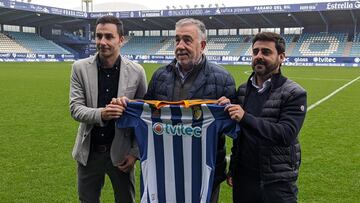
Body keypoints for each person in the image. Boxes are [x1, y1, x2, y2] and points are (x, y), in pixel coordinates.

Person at [113, 18, 236, 203]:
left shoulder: (223, 79)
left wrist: (227, 109)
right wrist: (126, 105)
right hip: (164, 168)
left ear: (202, 45)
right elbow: (145, 114)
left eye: (187, 40)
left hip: (204, 172)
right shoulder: (160, 76)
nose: (180, 45)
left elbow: (235, 129)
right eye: (177, 40)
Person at [218, 32, 307, 202]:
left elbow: (285, 134)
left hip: (276, 180)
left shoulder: (294, 93)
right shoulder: (243, 90)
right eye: (255, 52)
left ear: (281, 57)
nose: (259, 56)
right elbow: (239, 135)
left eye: (266, 52)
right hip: (244, 178)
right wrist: (223, 106)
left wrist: (245, 117)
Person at [69, 15, 147, 203]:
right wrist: (102, 114)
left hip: (121, 154)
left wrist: (135, 153)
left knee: (125, 200)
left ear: (121, 39)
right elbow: (75, 109)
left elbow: (143, 115)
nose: (102, 42)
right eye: (98, 36)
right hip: (89, 152)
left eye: (109, 37)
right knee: (87, 200)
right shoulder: (79, 68)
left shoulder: (137, 72)